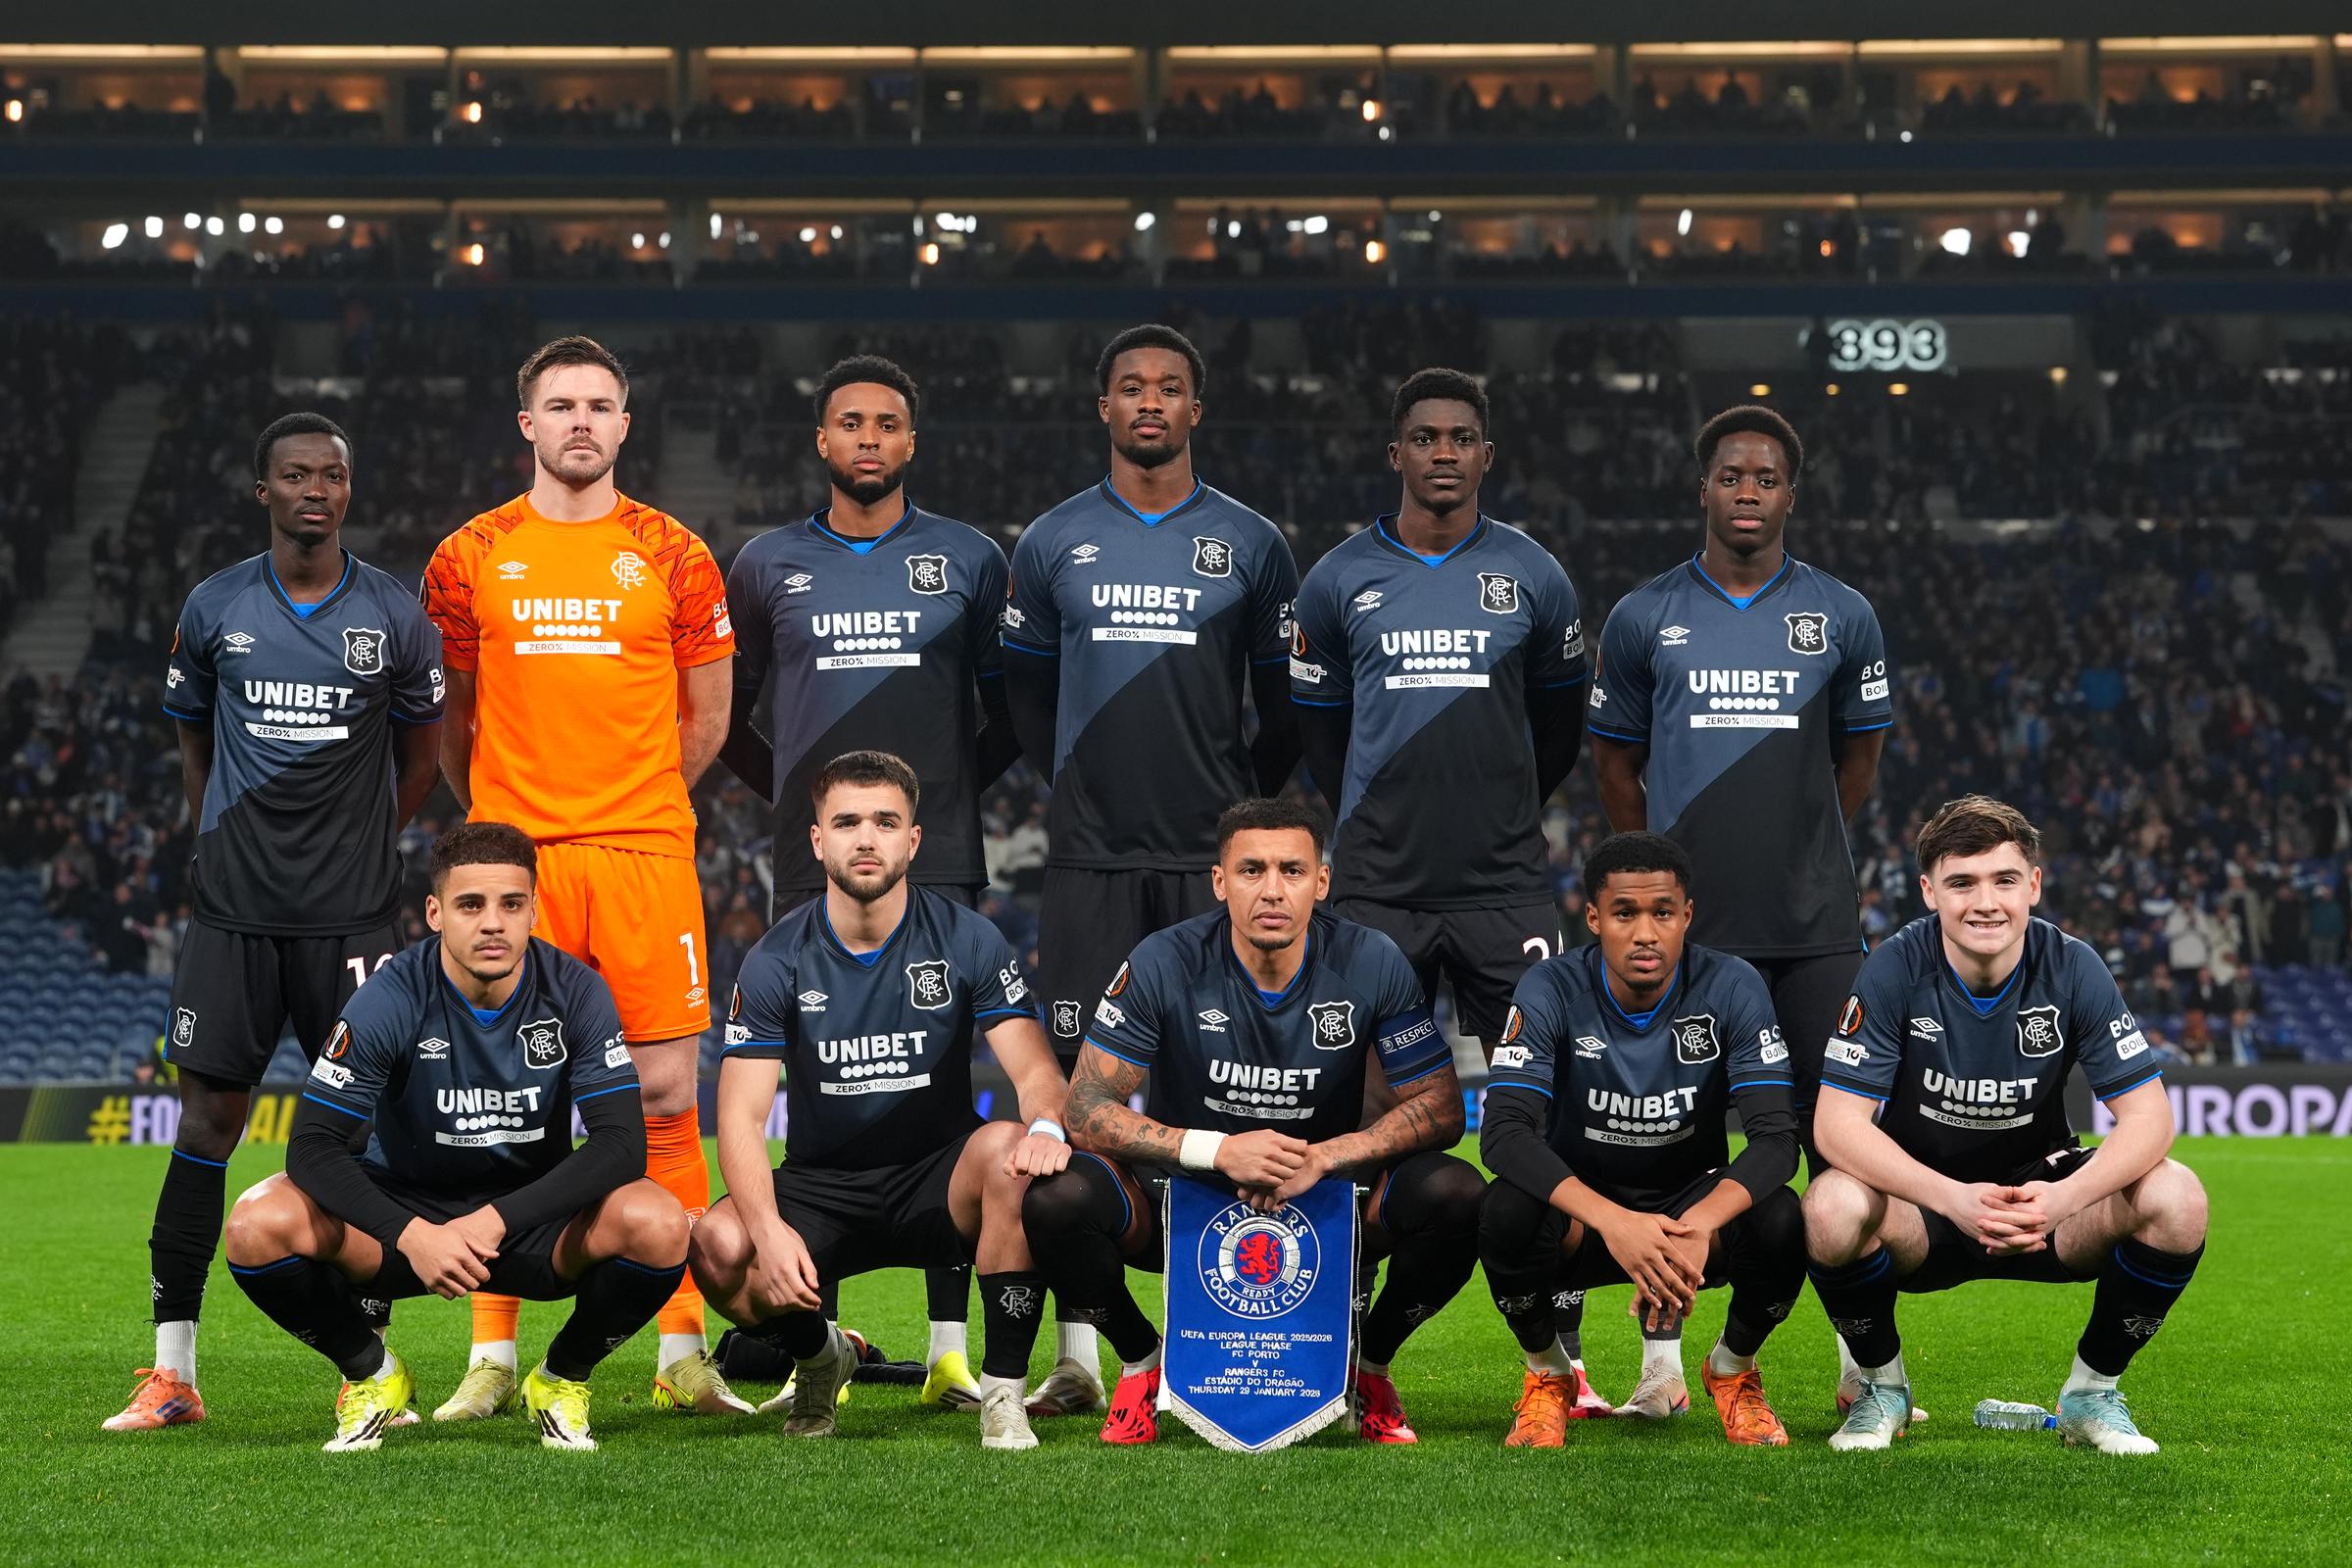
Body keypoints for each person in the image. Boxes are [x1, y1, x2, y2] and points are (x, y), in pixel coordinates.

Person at [422, 335, 743, 1419]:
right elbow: (449, 721)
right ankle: (493, 1357)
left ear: (624, 423)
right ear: (527, 422)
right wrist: (507, 828)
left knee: (664, 1099)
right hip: (521, 867)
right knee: (504, 1102)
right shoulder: (469, 555)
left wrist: (632, 802)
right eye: (559, 403)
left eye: (599, 406)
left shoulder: (674, 551)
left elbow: (708, 717)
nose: (579, 422)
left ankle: (681, 1348)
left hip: (647, 857)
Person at [108, 413, 444, 1433]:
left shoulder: (393, 612)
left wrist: (362, 844)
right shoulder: (216, 605)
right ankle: (172, 1374)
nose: (315, 489)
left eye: (332, 475)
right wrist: (224, 843)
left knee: (381, 1131)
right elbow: (193, 741)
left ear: (350, 489)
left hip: (351, 920)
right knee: (207, 1126)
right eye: (295, 474)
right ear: (264, 489)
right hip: (235, 917)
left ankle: (372, 1364)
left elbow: (423, 756)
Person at [1002, 323, 1300, 1411]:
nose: (1150, 403)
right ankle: (1088, 1356)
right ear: (1104, 406)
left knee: (1203, 1087)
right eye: (1131, 386)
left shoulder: (1252, 542)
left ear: (1195, 409)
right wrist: (1078, 786)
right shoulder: (1052, 542)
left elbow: (1284, 711)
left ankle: (1238, 1328)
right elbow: (1026, 700)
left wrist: (1226, 810)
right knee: (1085, 1106)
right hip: (1090, 863)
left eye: (1170, 387)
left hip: (1204, 865)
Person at [720, 355, 1019, 1406]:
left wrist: (941, 798)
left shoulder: (971, 558)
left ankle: (948, 1347)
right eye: (850, 422)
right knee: (832, 1079)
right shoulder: (764, 564)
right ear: (822, 441)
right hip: (818, 870)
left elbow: (1009, 706)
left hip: (931, 859)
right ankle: (819, 1335)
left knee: (940, 1091)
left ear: (911, 442)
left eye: (888, 423)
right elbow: (727, 712)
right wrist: (794, 806)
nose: (869, 439)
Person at [1586, 403, 1891, 1408]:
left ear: (1789, 494)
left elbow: (1860, 759)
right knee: (1671, 1148)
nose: (1748, 491)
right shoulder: (1644, 615)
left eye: (1766, 477)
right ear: (1704, 487)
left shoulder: (1842, 614)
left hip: (1813, 932)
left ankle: (1865, 1366)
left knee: (1842, 1145)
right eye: (1732, 475)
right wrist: (1668, 879)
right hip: (1689, 939)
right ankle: (1663, 1369)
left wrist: (1804, 848)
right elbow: (1616, 766)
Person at [1021, 797, 1484, 1446]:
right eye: (1251, 870)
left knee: (1458, 1195)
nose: (1272, 890)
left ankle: (1369, 1364)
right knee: (1055, 1201)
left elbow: (1440, 1105)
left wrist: (1323, 1158)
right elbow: (1086, 1108)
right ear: (1220, 881)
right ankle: (1142, 1363)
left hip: (1327, 1202)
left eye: (1292, 871)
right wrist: (1219, 1151)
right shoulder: (1166, 959)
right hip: (1186, 1201)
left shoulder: (1371, 960)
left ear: (1321, 882)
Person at [221, 823, 687, 1452]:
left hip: (531, 1221)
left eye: (510, 904)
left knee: (660, 1223)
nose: (492, 923)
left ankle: (561, 1378)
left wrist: (496, 1221)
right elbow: (311, 1146)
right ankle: (373, 1373)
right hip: (405, 1219)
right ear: (436, 913)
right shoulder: (390, 996)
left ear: (534, 910)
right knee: (256, 1224)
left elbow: (621, 1145)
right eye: (471, 905)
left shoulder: (575, 991)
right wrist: (413, 1235)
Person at [690, 751, 1071, 1450]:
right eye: (847, 822)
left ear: (912, 840)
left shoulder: (967, 937)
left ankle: (1003, 1393)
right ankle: (819, 1355)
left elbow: (1034, 1068)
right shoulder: (778, 957)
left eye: (885, 822)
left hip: (937, 1180)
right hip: (822, 1189)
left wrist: (1047, 1123)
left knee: (1011, 1150)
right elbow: (739, 1117)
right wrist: (770, 1232)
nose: (866, 838)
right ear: (817, 841)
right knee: (717, 1243)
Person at [1806, 796, 2207, 1455]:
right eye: (1962, 882)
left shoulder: (2073, 966)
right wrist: (1951, 1199)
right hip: (1926, 1208)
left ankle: (2091, 1394)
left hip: (2040, 1203)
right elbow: (1837, 1126)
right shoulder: (1893, 968)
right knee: (1829, 1206)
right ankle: (1883, 1387)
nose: (1985, 901)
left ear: (2035, 886)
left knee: (2178, 1196)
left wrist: (2063, 1200)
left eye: (2005, 880)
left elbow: (2150, 1119)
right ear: (1930, 891)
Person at [1292, 368, 1588, 1059]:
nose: (1445, 453)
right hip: (1379, 886)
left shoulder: (1536, 573)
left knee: (1538, 1087)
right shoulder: (1336, 578)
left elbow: (1560, 729)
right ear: (1396, 453)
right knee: (1365, 1085)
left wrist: (1504, 807)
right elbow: (1320, 734)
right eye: (1425, 438)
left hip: (1504, 884)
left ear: (1488, 454)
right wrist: (1378, 814)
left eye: (1462, 438)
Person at [1478, 831, 1802, 1447]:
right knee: (1506, 1210)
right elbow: (1503, 1135)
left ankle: (1732, 1370)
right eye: (1625, 914)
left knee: (1783, 1220)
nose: (1645, 933)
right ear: (1594, 917)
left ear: (1687, 916)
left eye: (1662, 913)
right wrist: (1616, 1222)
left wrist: (1702, 1225)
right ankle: (1548, 1374)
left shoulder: (1731, 985)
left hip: (1689, 1217)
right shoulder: (1551, 986)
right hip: (1585, 1217)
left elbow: (1776, 1141)